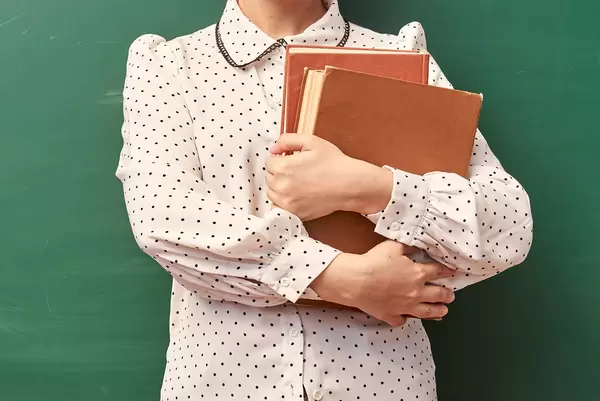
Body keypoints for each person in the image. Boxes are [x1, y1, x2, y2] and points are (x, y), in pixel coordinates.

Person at [115, 0, 533, 400]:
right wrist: (344, 280)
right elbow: (163, 216)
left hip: (381, 384)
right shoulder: (170, 65)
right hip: (225, 383)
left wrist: (369, 187)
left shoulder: (399, 57)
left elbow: (508, 225)